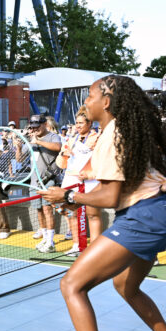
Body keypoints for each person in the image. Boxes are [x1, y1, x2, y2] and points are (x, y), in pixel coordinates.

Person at [39, 75, 166, 331]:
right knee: (126, 286)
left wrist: (68, 198)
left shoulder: (113, 134)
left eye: (91, 96)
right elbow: (118, 177)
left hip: (142, 218)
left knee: (71, 285)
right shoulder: (126, 130)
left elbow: (110, 196)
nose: (86, 103)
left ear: (106, 102)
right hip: (161, 214)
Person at [56, 107, 103, 256]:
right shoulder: (71, 139)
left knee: (92, 214)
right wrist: (64, 154)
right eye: (76, 123)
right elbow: (61, 164)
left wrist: (90, 174)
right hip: (71, 180)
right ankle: (77, 245)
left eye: (81, 123)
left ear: (89, 123)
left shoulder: (97, 138)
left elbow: (102, 160)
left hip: (90, 182)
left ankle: (95, 250)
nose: (78, 126)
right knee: (72, 214)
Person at [26, 114, 62, 252]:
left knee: (48, 209)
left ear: (44, 124)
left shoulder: (53, 136)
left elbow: (58, 147)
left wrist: (38, 142)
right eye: (32, 127)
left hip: (48, 179)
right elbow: (19, 158)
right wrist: (18, 147)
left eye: (37, 126)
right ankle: (45, 238)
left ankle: (51, 241)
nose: (35, 129)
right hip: (34, 181)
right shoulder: (30, 139)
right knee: (39, 210)